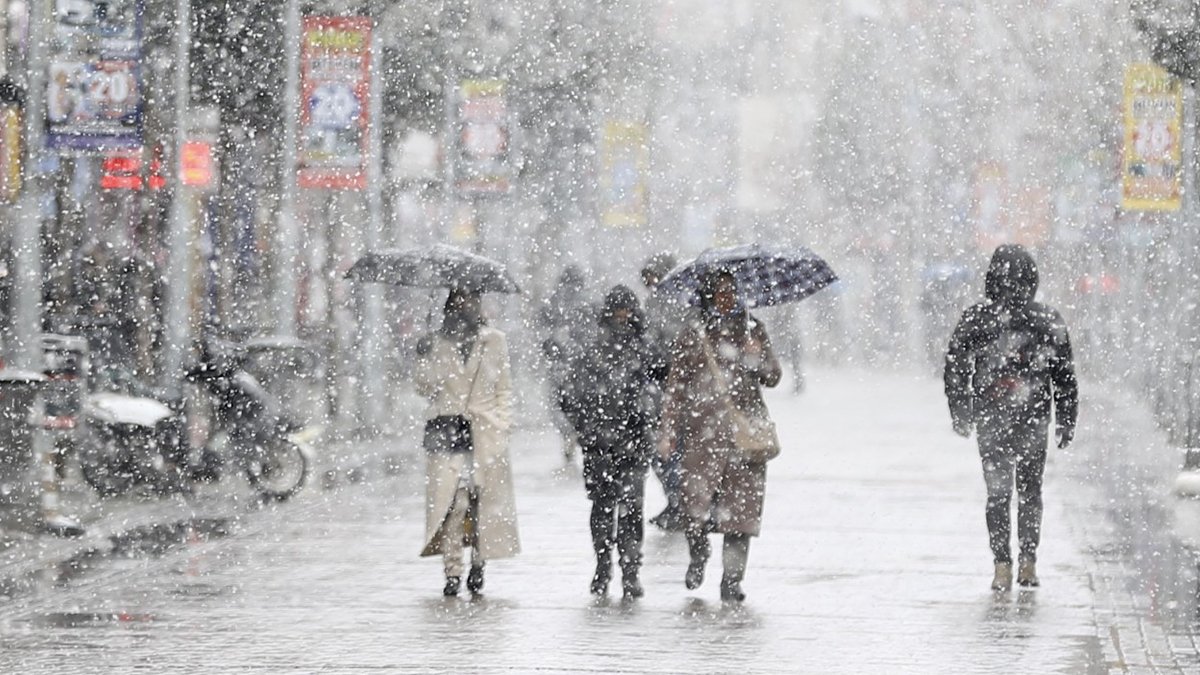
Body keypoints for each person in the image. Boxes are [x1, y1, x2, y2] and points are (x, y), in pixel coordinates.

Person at [944, 244, 1077, 592]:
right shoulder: (1047, 320)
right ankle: (1028, 561)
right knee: (1030, 491)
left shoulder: (978, 318)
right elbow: (1064, 374)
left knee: (998, 494)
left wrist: (960, 409)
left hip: (992, 418)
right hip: (1033, 418)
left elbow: (955, 365)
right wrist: (1066, 417)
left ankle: (1001, 564)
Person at [658, 269, 781, 602]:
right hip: (702, 435)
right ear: (708, 297)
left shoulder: (753, 330)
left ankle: (732, 580)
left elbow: (773, 377)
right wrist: (668, 431)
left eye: (731, 292)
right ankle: (698, 555)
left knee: (740, 516)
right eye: (720, 293)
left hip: (745, 438)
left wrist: (757, 356)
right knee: (695, 510)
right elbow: (676, 388)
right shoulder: (693, 334)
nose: (727, 299)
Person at [560, 285, 668, 598]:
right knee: (603, 507)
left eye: (628, 310)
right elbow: (569, 394)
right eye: (618, 310)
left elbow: (664, 381)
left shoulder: (645, 348)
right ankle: (604, 564)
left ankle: (630, 570)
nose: (623, 316)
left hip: (633, 441)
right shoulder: (592, 349)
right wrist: (585, 426)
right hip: (600, 444)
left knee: (631, 508)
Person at [415, 288, 520, 596]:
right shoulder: (436, 342)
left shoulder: (494, 340)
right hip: (446, 431)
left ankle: (478, 562)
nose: (465, 306)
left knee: (482, 505)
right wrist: (422, 356)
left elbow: (504, 387)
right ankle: (452, 572)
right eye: (459, 300)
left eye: (471, 300)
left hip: (485, 433)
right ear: (449, 305)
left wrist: (502, 425)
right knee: (453, 505)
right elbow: (424, 387)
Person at [639, 253, 688, 531]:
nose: (650, 283)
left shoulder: (673, 303)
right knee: (666, 448)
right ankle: (678, 501)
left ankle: (680, 502)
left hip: (670, 385)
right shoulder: (658, 302)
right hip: (663, 384)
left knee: (668, 448)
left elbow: (667, 341)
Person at [537, 265, 596, 462]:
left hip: (559, 363)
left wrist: (553, 350)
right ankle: (577, 431)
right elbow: (593, 335)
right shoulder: (588, 303)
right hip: (580, 365)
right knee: (580, 403)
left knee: (556, 405)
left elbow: (543, 335)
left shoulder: (553, 303)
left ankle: (568, 433)